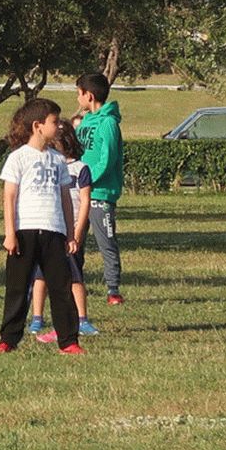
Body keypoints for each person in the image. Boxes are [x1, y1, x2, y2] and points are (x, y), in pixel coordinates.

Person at [0, 99, 80, 355]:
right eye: (54, 122)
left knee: (61, 288)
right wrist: (10, 233)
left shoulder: (58, 159)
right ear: (38, 126)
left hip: (53, 230)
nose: (58, 127)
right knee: (18, 289)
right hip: (24, 231)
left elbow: (65, 197)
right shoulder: (17, 158)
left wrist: (69, 232)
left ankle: (69, 341)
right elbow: (9, 196)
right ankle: (8, 339)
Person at [27, 122, 97, 342]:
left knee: (74, 275)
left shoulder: (81, 168)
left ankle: (82, 319)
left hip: (73, 229)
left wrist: (77, 231)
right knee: (42, 275)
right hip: (51, 227)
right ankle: (37, 317)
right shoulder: (49, 166)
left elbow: (85, 201)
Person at [75, 73, 125, 306]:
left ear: (90, 95)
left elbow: (107, 158)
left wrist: (88, 179)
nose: (78, 98)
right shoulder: (85, 121)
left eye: (79, 94)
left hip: (99, 194)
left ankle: (113, 289)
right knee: (75, 241)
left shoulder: (109, 123)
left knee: (106, 241)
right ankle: (74, 282)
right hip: (79, 193)